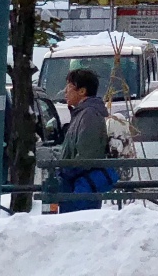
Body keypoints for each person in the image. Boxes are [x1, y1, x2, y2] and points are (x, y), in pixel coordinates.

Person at [50, 68, 117, 212]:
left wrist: (65, 170)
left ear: (82, 91)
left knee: (77, 225)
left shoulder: (89, 114)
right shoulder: (81, 113)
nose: (65, 91)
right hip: (76, 184)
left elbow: (88, 155)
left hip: (80, 187)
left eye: (69, 86)